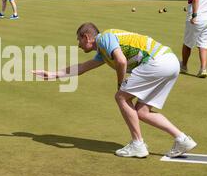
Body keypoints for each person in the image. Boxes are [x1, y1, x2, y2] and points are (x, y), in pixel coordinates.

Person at [33, 22, 197, 158]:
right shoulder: (103, 52)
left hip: (157, 62)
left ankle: (137, 144)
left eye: (79, 40)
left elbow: (121, 61)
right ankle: (182, 139)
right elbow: (82, 67)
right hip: (171, 63)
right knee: (142, 112)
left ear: (87, 37)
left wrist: (120, 84)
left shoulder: (104, 38)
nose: (78, 45)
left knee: (121, 97)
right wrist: (53, 74)